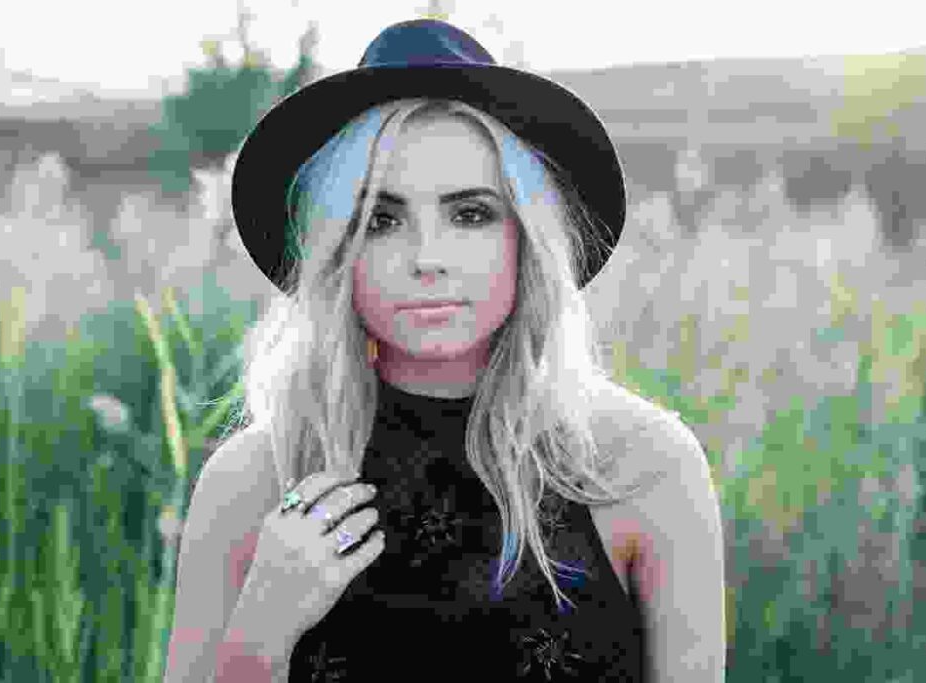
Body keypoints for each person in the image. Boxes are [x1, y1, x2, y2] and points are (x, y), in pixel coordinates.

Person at [165, 18, 726, 683]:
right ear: (337, 250)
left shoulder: (645, 466)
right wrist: (258, 638)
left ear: (527, 237)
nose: (427, 258)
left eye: (470, 214)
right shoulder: (254, 480)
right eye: (381, 219)